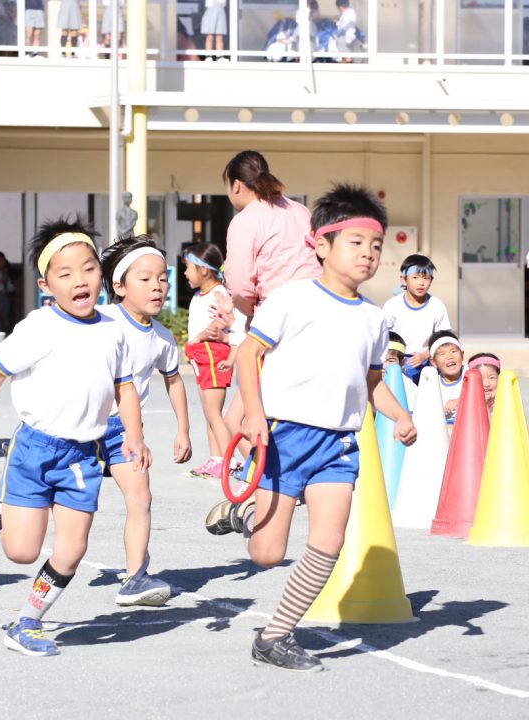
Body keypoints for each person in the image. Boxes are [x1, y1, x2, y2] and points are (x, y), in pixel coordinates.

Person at [205, 183, 416, 671]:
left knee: (328, 541)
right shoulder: (290, 299)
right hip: (282, 437)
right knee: (266, 554)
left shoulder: (373, 318)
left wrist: (400, 415)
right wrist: (253, 413)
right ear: (321, 245)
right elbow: (247, 355)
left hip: (338, 443)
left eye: (376, 245)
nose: (368, 254)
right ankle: (244, 518)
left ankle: (274, 636)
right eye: (356, 243)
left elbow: (371, 382)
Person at [0, 218, 150, 657]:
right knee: (21, 551)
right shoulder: (39, 326)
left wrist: (133, 436)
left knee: (72, 549)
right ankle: (8, 513)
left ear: (101, 274)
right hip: (35, 449)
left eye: (88, 269)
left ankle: (27, 621)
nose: (80, 280)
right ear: (45, 284)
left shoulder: (113, 329)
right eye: (66, 274)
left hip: (82, 454)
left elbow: (125, 387)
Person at [99, 236, 192, 606]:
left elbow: (174, 380)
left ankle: (135, 578)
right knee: (68, 508)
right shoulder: (101, 321)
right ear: (120, 286)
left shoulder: (162, 338)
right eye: (145, 278)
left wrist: (183, 429)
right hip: (77, 427)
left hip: (124, 431)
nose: (157, 286)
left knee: (140, 497)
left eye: (162, 278)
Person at [221, 150, 320, 320]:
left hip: (279, 313)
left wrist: (252, 313)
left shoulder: (245, 220)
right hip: (319, 303)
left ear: (236, 185)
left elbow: (239, 287)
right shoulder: (300, 210)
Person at [183, 243, 235, 480]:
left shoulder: (218, 293)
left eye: (188, 268)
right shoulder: (199, 295)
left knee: (214, 412)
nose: (185, 272)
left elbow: (220, 322)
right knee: (208, 411)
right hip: (202, 356)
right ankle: (216, 459)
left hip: (213, 354)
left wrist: (199, 338)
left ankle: (229, 459)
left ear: (203, 270)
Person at [382, 254, 451, 385]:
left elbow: (443, 339)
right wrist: (395, 358)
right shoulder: (392, 305)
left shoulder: (437, 306)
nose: (421, 283)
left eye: (426, 278)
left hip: (427, 361)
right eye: (415, 277)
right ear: (403, 279)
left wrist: (424, 356)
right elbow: (383, 336)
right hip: (397, 361)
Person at [427, 330, 465, 425]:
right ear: (433, 362)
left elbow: (486, 396)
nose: (449, 357)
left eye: (453, 351)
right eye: (442, 354)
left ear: (462, 355)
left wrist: (459, 401)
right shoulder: (431, 384)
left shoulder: (472, 373)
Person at [384, 331, 417, 411]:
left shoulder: (408, 385)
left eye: (390, 361)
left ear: (402, 363)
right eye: (379, 361)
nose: (384, 366)